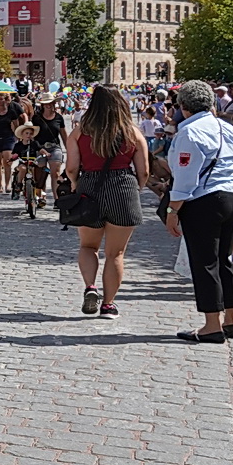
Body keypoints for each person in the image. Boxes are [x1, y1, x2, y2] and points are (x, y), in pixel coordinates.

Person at [165, 80, 233, 344]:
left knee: (205, 262)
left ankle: (212, 325)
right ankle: (231, 319)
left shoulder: (189, 133)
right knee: (225, 259)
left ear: (183, 107)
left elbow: (186, 177)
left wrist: (173, 209)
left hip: (206, 198)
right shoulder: (229, 128)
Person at [69, 86, 149, 320]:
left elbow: (72, 167)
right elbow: (143, 170)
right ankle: (108, 305)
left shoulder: (79, 131)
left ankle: (90, 287)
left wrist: (75, 184)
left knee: (87, 246)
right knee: (115, 253)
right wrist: (137, 189)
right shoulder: (132, 132)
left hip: (89, 187)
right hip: (123, 187)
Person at [31, 93, 68, 193]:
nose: (49, 105)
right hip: (40, 147)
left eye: (51, 103)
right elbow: (32, 135)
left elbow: (63, 134)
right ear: (42, 105)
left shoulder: (59, 118)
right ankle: (40, 196)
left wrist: (69, 149)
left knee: (55, 172)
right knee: (40, 173)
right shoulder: (36, 118)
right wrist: (37, 148)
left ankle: (57, 199)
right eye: (46, 103)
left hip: (54, 147)